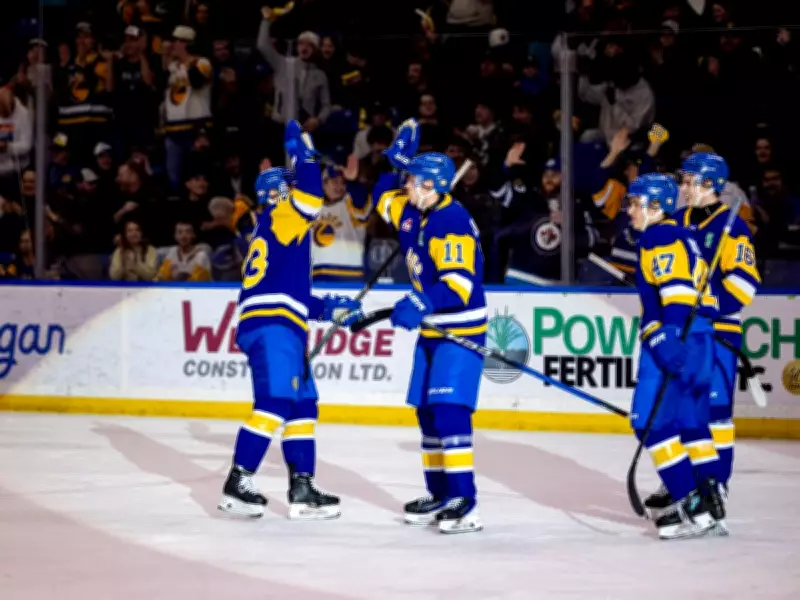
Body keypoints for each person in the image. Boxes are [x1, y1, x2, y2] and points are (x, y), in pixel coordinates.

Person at [218, 121, 361, 520]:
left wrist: (331, 308)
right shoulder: (283, 217)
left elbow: (290, 294)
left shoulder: (277, 230)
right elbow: (312, 195)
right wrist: (302, 152)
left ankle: (302, 489)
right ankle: (238, 481)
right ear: (281, 195)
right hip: (274, 328)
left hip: (278, 322)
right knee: (277, 400)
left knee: (302, 403)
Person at [372, 119, 486, 534]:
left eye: (413, 181)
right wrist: (394, 159)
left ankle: (464, 500)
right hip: (433, 330)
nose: (406, 188)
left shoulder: (450, 222)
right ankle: (439, 493)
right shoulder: (411, 210)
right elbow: (379, 195)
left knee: (450, 410)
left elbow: (458, 285)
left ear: (435, 186)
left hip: (460, 329)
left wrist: (420, 300)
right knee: (426, 413)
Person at [645, 153, 761, 534]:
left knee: (714, 414)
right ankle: (686, 481)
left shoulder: (733, 227)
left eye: (690, 181)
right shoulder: (676, 221)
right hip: (687, 332)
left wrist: (707, 311)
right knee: (679, 413)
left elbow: (743, 285)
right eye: (682, 180)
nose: (683, 187)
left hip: (717, 332)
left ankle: (716, 488)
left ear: (710, 183)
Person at [627, 172, 727, 540]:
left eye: (635, 203)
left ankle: (691, 503)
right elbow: (706, 298)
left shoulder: (660, 235)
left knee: (648, 422)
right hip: (700, 340)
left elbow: (679, 293)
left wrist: (666, 337)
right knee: (691, 425)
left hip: (677, 339)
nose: (629, 211)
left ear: (657, 206)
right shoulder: (687, 235)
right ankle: (712, 510)